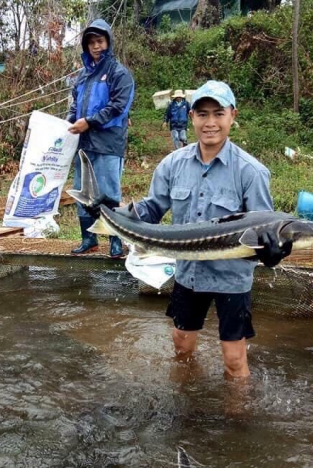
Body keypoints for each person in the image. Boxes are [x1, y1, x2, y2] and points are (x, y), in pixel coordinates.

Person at [111, 80, 291, 379]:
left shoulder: (251, 172)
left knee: (234, 359)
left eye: (218, 114)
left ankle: (237, 420)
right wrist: (114, 212)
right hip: (189, 273)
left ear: (233, 115)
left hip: (232, 279)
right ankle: (186, 403)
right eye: (203, 114)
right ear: (191, 116)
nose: (210, 123)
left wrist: (273, 252)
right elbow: (152, 209)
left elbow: (266, 228)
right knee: (181, 345)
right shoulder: (172, 164)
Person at [67, 19, 135, 258]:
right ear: (85, 47)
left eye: (100, 41)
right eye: (91, 43)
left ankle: (115, 240)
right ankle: (89, 239)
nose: (96, 46)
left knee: (108, 193)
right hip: (83, 144)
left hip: (108, 143)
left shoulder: (119, 73)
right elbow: (75, 104)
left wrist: (90, 121)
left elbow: (118, 107)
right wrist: (68, 121)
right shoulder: (82, 76)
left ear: (108, 42)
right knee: (81, 191)